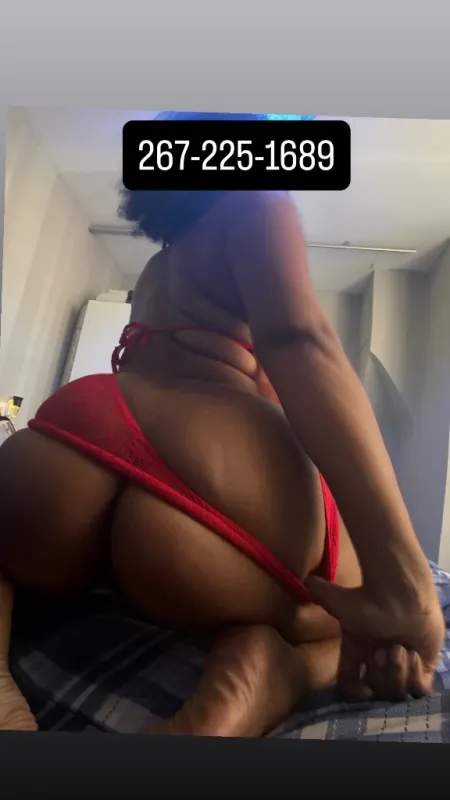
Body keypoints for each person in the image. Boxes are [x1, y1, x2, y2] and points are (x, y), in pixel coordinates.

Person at [0, 112, 444, 737]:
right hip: (207, 463)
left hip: (78, 434)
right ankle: (285, 669)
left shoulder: (159, 268)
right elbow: (300, 340)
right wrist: (407, 582)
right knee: (340, 615)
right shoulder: (257, 200)